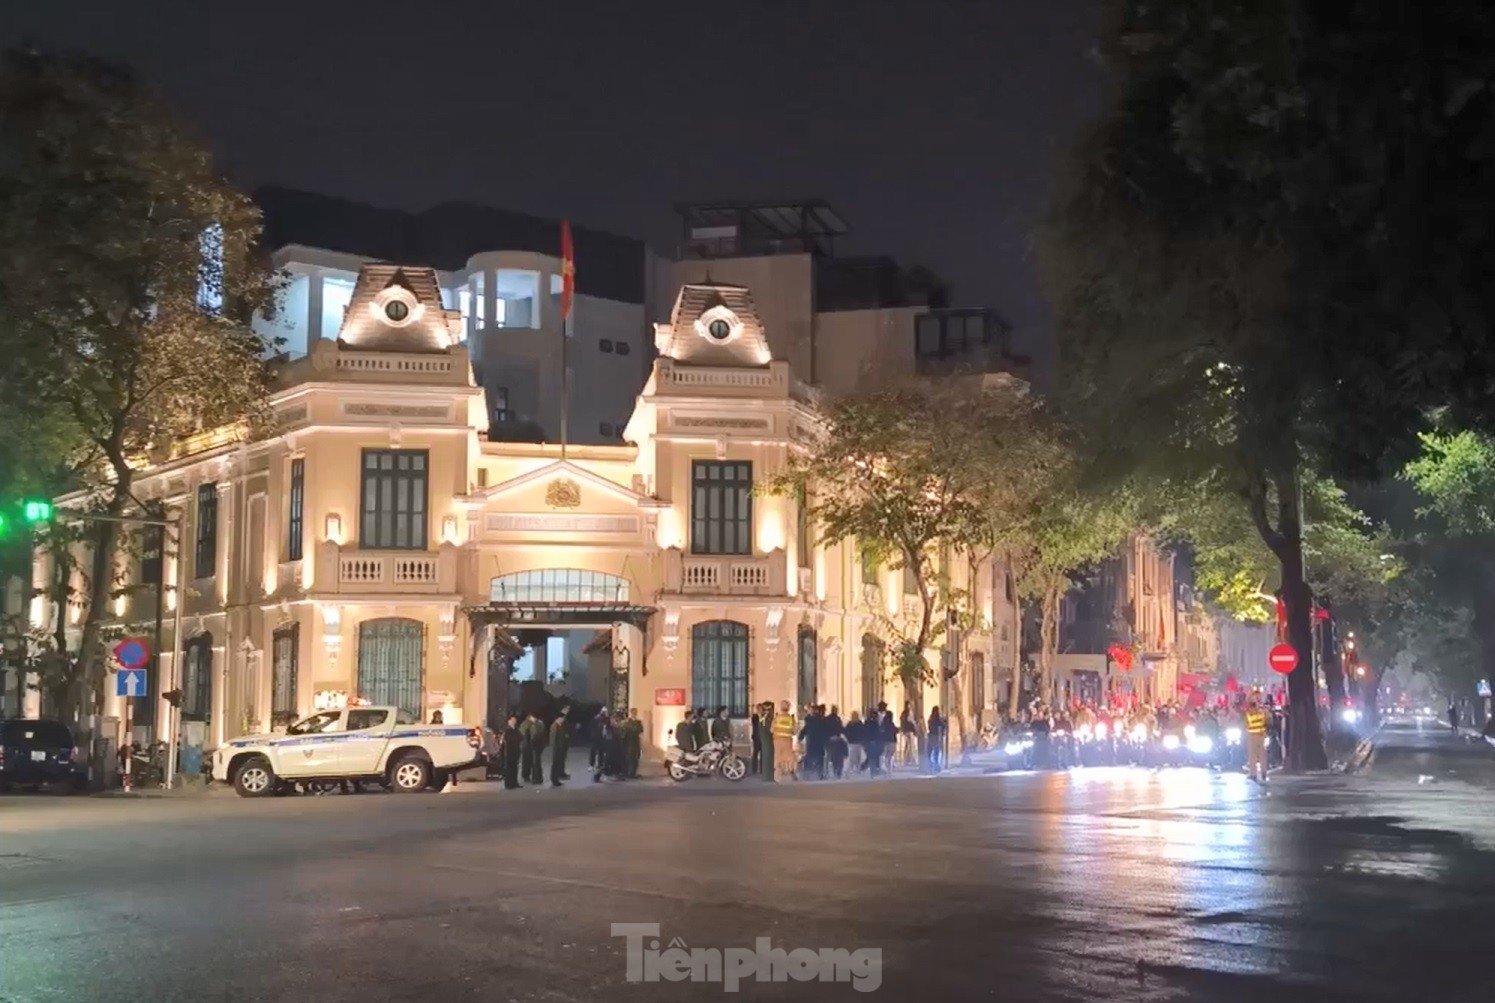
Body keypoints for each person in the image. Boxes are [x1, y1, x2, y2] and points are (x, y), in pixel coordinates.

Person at [1244, 695, 1269, 782]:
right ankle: (1264, 773)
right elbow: (1267, 720)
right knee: (1262, 755)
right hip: (1261, 735)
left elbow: (1246, 725)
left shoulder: (1248, 714)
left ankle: (1253, 774)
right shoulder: (1262, 713)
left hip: (1252, 736)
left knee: (1252, 756)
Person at [772, 700, 797, 781]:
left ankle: (777, 776)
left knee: (778, 758)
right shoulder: (791, 719)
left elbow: (771, 730)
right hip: (787, 741)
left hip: (777, 741)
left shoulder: (776, 717)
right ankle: (791, 772)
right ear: (789, 708)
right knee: (790, 758)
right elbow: (795, 731)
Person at [800, 705, 828, 779]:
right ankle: (820, 774)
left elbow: (804, 730)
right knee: (819, 758)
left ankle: (807, 774)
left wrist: (800, 738)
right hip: (819, 742)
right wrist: (826, 741)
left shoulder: (809, 720)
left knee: (809, 757)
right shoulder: (822, 720)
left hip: (811, 741)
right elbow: (826, 732)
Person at [520, 711, 545, 786]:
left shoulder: (538, 723)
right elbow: (522, 732)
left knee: (535, 762)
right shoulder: (525, 723)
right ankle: (528, 776)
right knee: (527, 761)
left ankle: (536, 778)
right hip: (527, 744)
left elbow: (539, 732)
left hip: (534, 745)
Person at [499, 713, 523, 789]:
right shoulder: (507, 730)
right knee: (509, 768)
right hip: (509, 752)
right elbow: (508, 740)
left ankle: (514, 782)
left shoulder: (516, 729)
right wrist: (515, 739)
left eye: (514, 720)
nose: (513, 721)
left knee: (515, 768)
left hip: (516, 751)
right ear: (509, 721)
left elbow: (521, 737)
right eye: (512, 720)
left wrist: (516, 740)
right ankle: (508, 784)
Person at [549, 706, 571, 787]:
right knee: (555, 763)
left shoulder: (559, 725)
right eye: (562, 719)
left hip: (560, 747)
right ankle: (554, 779)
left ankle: (556, 778)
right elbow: (554, 739)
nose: (563, 720)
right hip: (557, 748)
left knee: (558, 763)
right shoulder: (555, 726)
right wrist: (558, 747)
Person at [826, 704, 847, 779]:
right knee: (838, 756)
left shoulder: (829, 719)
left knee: (834, 756)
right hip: (835, 739)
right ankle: (838, 772)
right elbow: (841, 728)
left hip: (832, 739)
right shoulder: (837, 719)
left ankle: (836, 771)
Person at [622, 708, 643, 777]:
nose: (634, 714)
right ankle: (628, 772)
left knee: (636, 757)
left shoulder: (638, 722)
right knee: (629, 757)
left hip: (636, 741)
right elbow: (626, 732)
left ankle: (633, 772)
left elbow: (640, 730)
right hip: (629, 742)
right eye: (633, 712)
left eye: (635, 712)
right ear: (631, 713)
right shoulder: (627, 722)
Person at [879, 703, 898, 773]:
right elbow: (894, 730)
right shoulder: (891, 723)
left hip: (885, 741)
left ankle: (887, 768)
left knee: (886, 755)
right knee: (890, 755)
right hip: (892, 741)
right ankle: (889, 769)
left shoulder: (883, 723)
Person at [927, 707, 947, 772]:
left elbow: (929, 725)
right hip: (936, 736)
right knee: (936, 752)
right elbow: (943, 725)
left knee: (931, 752)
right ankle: (936, 766)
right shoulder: (937, 719)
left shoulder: (930, 718)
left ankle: (932, 766)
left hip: (931, 736)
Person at [749, 709, 762, 775]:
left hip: (762, 739)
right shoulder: (755, 717)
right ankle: (754, 769)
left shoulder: (764, 717)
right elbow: (753, 721)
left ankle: (762, 770)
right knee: (755, 754)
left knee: (763, 755)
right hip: (756, 738)